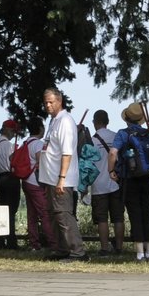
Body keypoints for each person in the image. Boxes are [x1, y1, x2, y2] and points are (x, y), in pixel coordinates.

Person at [38, 88, 88, 261]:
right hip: (50, 177)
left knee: (64, 215)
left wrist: (62, 178)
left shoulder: (65, 121)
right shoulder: (54, 121)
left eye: (51, 102)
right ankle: (62, 249)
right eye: (46, 102)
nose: (48, 105)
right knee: (54, 215)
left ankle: (77, 252)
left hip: (61, 179)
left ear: (60, 101)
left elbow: (67, 153)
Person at [111, 103, 149, 261]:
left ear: (126, 119)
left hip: (130, 179)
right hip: (148, 178)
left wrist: (111, 171)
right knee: (147, 213)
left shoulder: (123, 134)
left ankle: (140, 254)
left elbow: (113, 153)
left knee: (135, 214)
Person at [86, 110, 125, 254]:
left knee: (102, 219)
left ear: (95, 122)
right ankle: (120, 248)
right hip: (116, 183)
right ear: (107, 121)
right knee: (118, 217)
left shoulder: (92, 141)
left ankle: (104, 248)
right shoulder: (116, 137)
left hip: (98, 185)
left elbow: (87, 165)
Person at [20, 119, 53, 252]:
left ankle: (34, 244)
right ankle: (53, 243)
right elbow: (42, 163)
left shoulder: (26, 143)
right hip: (36, 182)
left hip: (26, 181)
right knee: (45, 213)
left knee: (31, 215)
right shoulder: (38, 144)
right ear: (40, 128)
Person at [0, 119, 23, 250]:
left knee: (0, 210)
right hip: (10, 178)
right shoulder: (8, 145)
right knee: (11, 211)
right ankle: (11, 242)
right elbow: (13, 161)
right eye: (13, 131)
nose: (14, 134)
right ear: (8, 130)